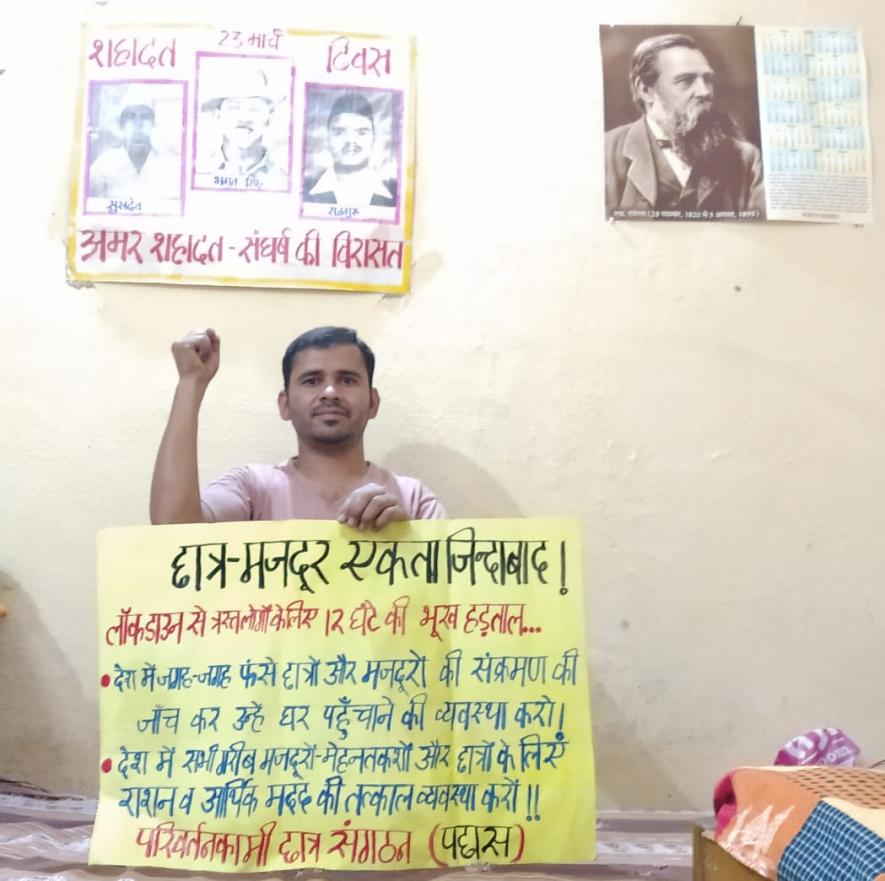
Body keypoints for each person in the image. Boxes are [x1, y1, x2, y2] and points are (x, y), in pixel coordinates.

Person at [150, 326, 444, 529]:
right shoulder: (252, 488)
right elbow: (173, 529)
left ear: (373, 402)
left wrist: (406, 544)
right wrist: (191, 381)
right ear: (285, 404)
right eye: (312, 380)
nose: (330, 392)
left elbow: (450, 596)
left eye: (347, 380)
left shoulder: (414, 500)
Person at [604, 33, 765, 218]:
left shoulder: (746, 159)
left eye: (707, 79)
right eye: (685, 81)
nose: (704, 91)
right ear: (646, 90)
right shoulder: (605, 152)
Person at [199, 65, 289, 190]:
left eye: (255, 109)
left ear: (268, 119)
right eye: (235, 108)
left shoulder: (284, 182)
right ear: (218, 115)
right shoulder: (198, 174)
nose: (244, 118)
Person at [303, 92, 397, 207]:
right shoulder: (303, 191)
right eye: (339, 132)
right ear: (327, 138)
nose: (350, 140)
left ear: (374, 138)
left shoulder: (396, 194)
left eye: (362, 132)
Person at [88, 92, 180, 200]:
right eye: (131, 117)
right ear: (121, 125)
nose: (138, 123)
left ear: (153, 124)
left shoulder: (171, 167)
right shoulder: (102, 167)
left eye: (145, 117)